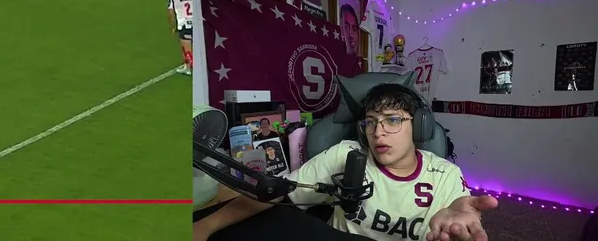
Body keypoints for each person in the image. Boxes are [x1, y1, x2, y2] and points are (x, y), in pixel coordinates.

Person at [193, 83, 498, 241]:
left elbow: (461, 216)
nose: (378, 132)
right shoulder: (346, 155)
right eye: (370, 122)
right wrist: (205, 227)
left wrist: (460, 229)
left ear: (419, 127)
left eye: (393, 120)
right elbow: (278, 194)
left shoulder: (445, 174)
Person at [169, 0, 198, 75]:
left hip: (184, 24)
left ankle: (196, 69)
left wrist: (173, 26)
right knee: (190, 49)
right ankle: (187, 67)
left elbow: (171, 12)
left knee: (187, 50)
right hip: (195, 23)